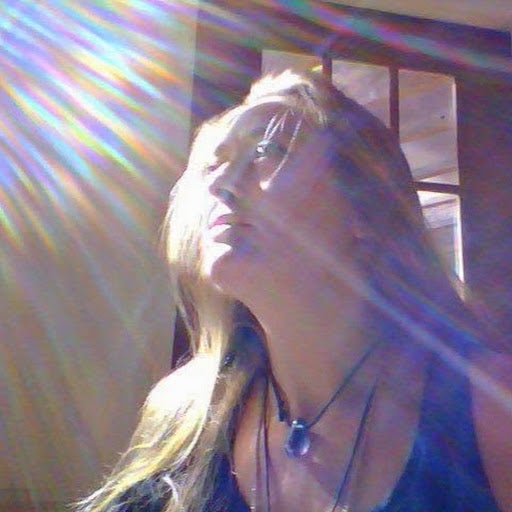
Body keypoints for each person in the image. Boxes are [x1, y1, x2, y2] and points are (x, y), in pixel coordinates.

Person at [77, 70, 512, 512]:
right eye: (213, 164)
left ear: (364, 210)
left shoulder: (490, 405)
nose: (219, 183)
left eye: (266, 150)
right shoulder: (183, 413)